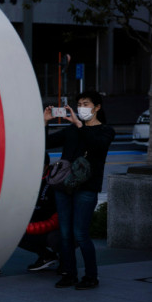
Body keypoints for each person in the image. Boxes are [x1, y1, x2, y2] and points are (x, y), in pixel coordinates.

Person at [45, 91, 115, 290]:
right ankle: (69, 273)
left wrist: (79, 125)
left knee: (81, 234)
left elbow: (97, 146)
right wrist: (45, 123)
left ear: (97, 107)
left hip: (87, 188)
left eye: (86, 103)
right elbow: (46, 143)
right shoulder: (71, 130)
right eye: (79, 104)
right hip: (63, 186)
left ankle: (91, 276)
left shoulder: (106, 131)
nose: (81, 107)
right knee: (65, 233)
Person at [18, 153, 61, 271]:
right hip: (38, 223)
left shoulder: (54, 181)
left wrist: (30, 227)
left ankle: (66, 262)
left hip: (55, 227)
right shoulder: (29, 181)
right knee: (14, 235)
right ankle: (46, 256)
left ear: (46, 166)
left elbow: (57, 219)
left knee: (56, 238)